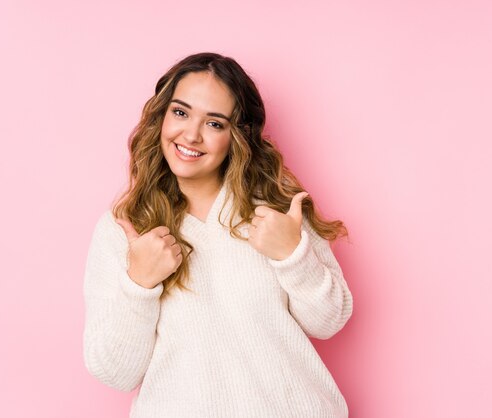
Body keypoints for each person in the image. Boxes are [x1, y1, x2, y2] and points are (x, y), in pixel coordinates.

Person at [82, 52, 353, 417]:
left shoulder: (275, 212)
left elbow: (329, 321)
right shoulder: (124, 229)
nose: (191, 134)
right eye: (180, 112)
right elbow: (115, 372)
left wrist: (293, 256)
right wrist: (140, 283)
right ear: (161, 116)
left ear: (237, 135)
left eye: (214, 123)